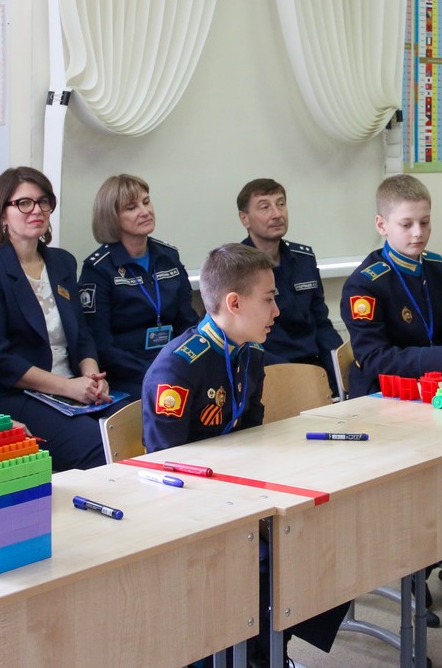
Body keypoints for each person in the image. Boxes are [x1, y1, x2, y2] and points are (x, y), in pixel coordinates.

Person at [141, 243, 345, 668]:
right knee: (270, 562)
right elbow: (165, 465)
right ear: (234, 303)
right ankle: (248, 656)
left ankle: (270, 653)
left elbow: (252, 438)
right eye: (268, 299)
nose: (277, 311)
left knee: (330, 540)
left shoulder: (249, 352)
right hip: (191, 508)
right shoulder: (179, 368)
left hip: (239, 495)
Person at [0, 166, 130, 472]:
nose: (37, 210)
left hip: (74, 387)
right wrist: (67, 387)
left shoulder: (62, 262)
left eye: (43, 201)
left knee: (140, 426)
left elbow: (81, 333)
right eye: (24, 203)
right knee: (100, 446)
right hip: (19, 394)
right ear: (2, 214)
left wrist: (92, 377)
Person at [341, 174, 442, 399]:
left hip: (439, 388)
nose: (418, 232)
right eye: (406, 224)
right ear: (381, 225)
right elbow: (374, 358)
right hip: (384, 394)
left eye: (425, 222)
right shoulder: (364, 284)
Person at [79, 174, 199, 392]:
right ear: (112, 217)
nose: (145, 211)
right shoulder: (98, 268)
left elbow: (187, 323)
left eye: (146, 202)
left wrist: (184, 362)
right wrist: (154, 372)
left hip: (174, 366)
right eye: (131, 207)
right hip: (128, 375)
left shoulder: (168, 256)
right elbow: (101, 344)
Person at [237, 178, 343, 396]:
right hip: (269, 372)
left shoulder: (304, 258)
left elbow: (321, 324)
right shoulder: (237, 266)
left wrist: (338, 370)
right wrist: (297, 378)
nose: (277, 214)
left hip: (313, 366)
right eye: (265, 207)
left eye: (281, 204)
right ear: (244, 218)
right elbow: (242, 341)